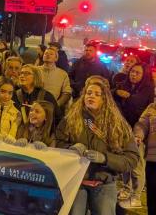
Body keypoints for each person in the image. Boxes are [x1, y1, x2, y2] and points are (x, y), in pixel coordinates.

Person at [56, 76, 138, 215]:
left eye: (96, 94)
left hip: (104, 184)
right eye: (88, 93)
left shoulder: (118, 125)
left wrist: (105, 158)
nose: (91, 96)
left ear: (104, 99)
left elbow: (132, 158)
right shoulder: (71, 120)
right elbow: (57, 143)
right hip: (77, 184)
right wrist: (71, 149)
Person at [113, 63, 154, 207]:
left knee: (137, 165)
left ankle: (136, 194)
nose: (133, 75)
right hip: (123, 130)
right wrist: (117, 92)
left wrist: (127, 96)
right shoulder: (123, 85)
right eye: (132, 72)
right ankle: (126, 188)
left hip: (139, 133)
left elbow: (138, 105)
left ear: (144, 75)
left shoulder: (147, 89)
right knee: (125, 162)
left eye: (137, 73)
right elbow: (114, 97)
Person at [133, 100, 156, 213]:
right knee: (152, 198)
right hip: (153, 159)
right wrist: (138, 135)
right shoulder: (152, 107)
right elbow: (142, 124)